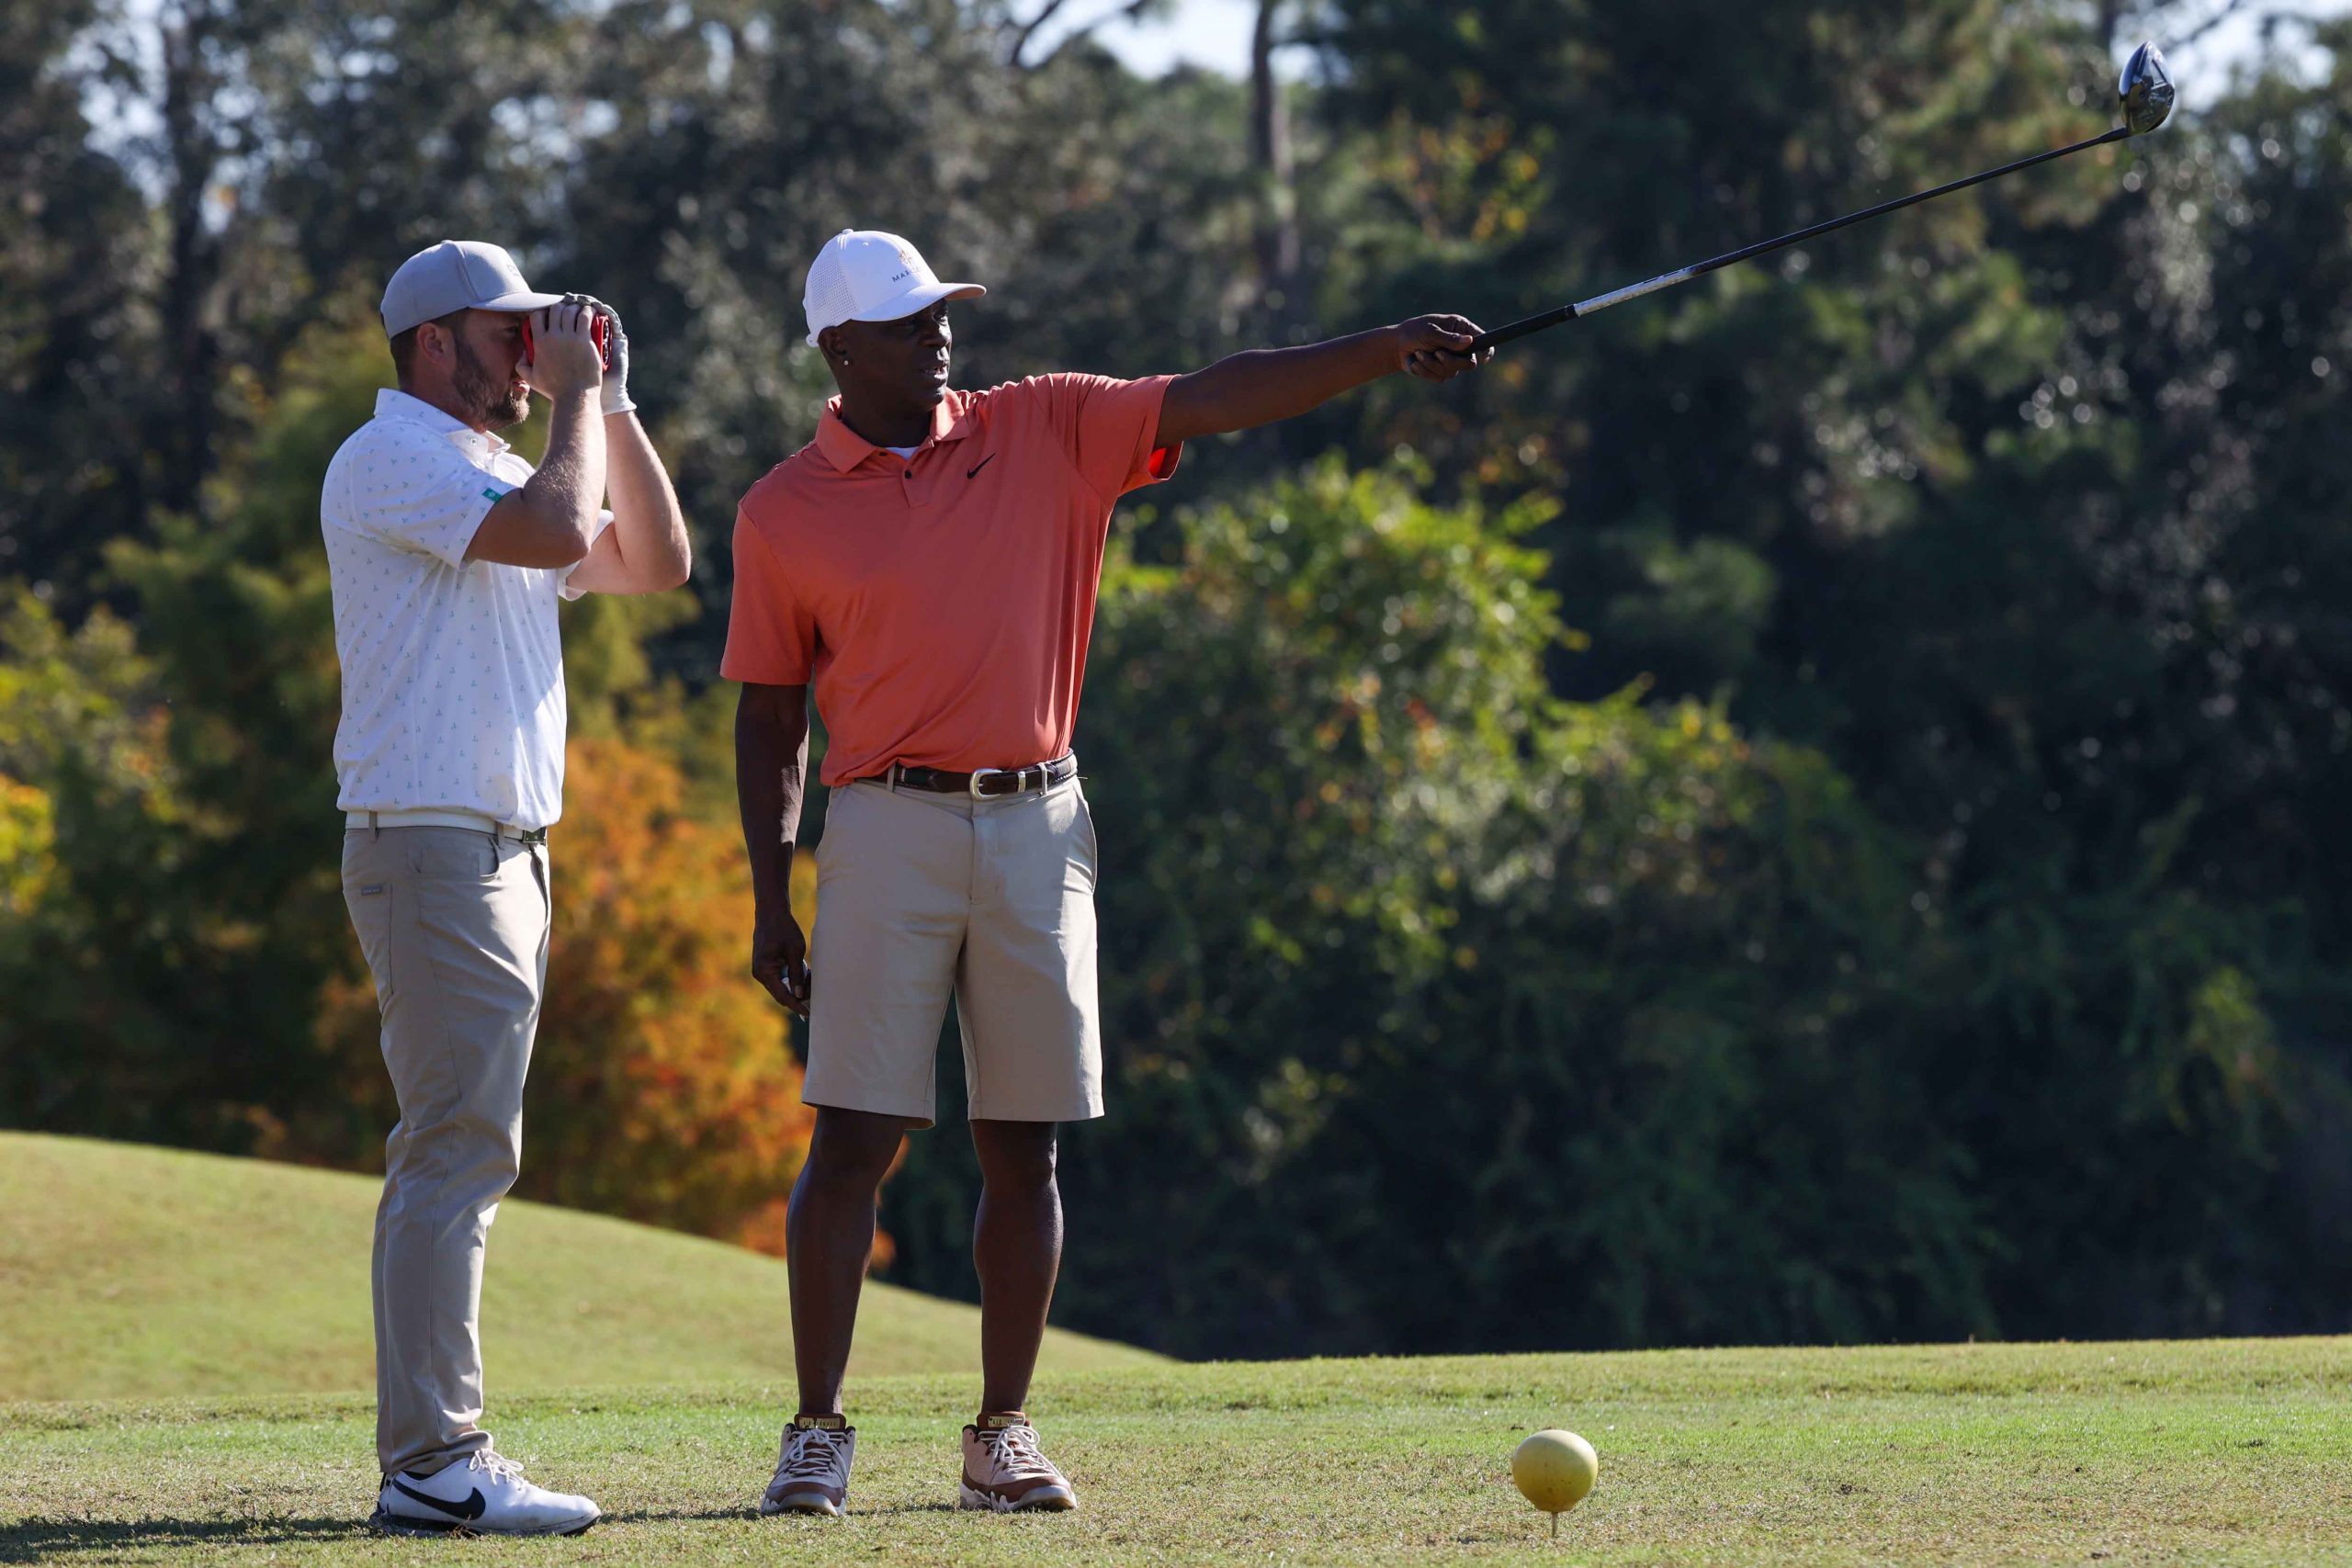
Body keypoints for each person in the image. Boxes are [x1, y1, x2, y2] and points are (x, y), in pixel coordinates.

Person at [726, 228, 1486, 1517]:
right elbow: (769, 716)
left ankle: (1001, 1434)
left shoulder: (1046, 425)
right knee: (853, 1137)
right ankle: (816, 1432)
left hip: (1040, 821)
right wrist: (769, 894)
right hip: (884, 825)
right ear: (840, 348)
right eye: (908, 323)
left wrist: (1379, 349)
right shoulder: (783, 508)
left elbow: (1220, 390)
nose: (938, 335)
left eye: (942, 313)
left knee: (1024, 1145)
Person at [323, 239, 692, 1537]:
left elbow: (656, 561)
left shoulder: (492, 465)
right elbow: (554, 529)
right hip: (434, 846)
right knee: (456, 1150)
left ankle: (435, 1456)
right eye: (510, 332)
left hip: (500, 853)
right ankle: (434, 1463)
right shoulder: (390, 456)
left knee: (466, 1147)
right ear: (435, 342)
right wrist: (578, 397)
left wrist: (615, 398)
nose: (534, 355)